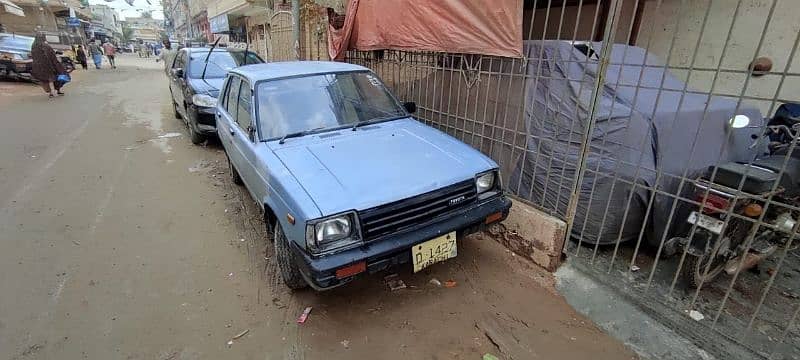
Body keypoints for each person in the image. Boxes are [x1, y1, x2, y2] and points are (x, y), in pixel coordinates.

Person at [30, 33, 66, 98]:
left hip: (39, 66)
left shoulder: (33, 46)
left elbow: (33, 56)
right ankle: (57, 90)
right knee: (56, 77)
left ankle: (51, 92)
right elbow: (52, 56)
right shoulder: (45, 46)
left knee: (45, 80)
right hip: (49, 65)